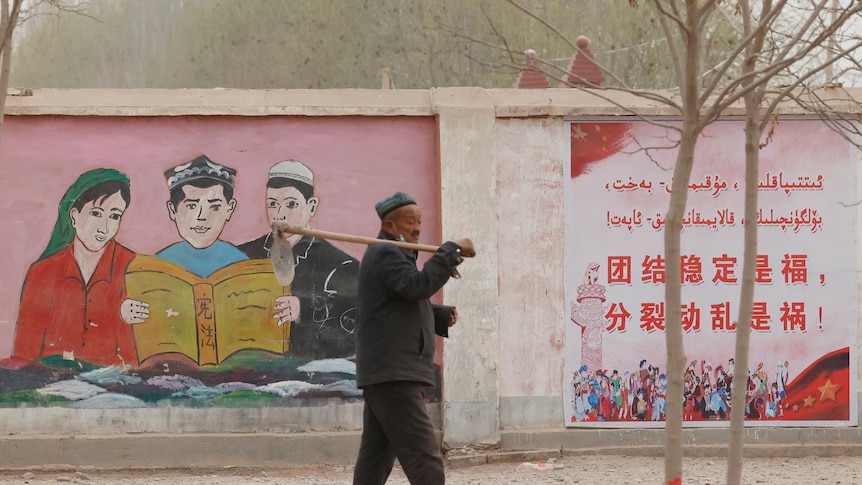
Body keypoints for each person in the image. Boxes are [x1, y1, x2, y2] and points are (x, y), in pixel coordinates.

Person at [352, 191, 476, 485]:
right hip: (395, 373)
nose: (417, 228)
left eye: (419, 221)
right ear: (391, 226)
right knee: (424, 457)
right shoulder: (386, 251)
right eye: (410, 222)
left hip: (386, 372)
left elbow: (398, 303)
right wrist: (450, 250)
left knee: (376, 456)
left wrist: (438, 315)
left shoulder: (391, 254)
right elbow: (416, 286)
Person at [13, 168, 140, 366]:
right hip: (52, 389)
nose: (104, 227)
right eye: (96, 213)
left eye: (114, 216)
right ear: (74, 216)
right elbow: (24, 357)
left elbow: (138, 359)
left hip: (117, 389)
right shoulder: (42, 273)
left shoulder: (136, 269)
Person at [238, 160, 358, 359]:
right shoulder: (242, 255)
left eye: (291, 204)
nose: (279, 214)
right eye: (272, 204)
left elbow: (356, 325)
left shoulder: (341, 265)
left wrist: (304, 308)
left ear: (311, 206)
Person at [157, 154, 248, 277]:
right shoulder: (158, 265)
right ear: (172, 210)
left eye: (214, 207)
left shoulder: (243, 264)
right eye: (191, 206)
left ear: (229, 209)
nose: (201, 217)